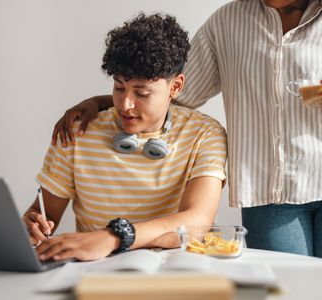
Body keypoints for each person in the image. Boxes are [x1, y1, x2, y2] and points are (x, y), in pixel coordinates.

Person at [52, 0, 322, 257]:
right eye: (119, 88)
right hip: (269, 192)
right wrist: (102, 103)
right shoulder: (228, 22)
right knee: (290, 289)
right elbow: (169, 88)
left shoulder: (208, 136)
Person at [23, 13, 227, 262]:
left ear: (175, 87)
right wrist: (30, 225)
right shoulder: (78, 131)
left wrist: (112, 238)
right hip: (96, 271)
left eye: (142, 93)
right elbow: (42, 215)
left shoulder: (205, 134)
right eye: (119, 87)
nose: (126, 104)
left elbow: (197, 222)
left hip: (177, 270)